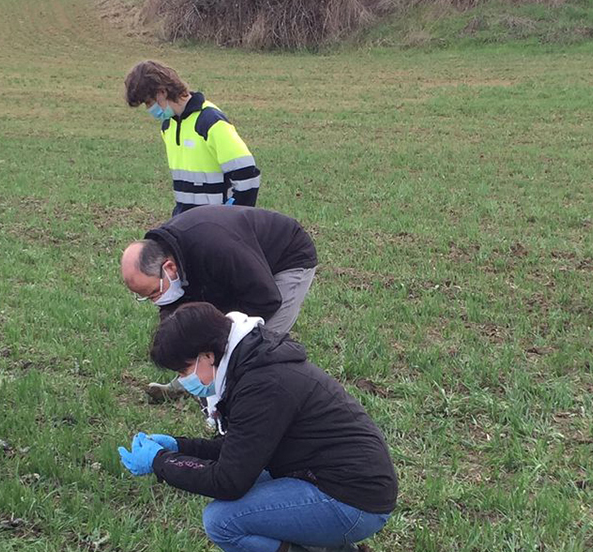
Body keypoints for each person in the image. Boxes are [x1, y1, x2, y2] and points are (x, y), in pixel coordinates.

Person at [116, 302, 397, 552]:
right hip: (333, 480)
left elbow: (228, 482)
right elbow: (240, 448)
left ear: (207, 356)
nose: (182, 380)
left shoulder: (261, 385)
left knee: (223, 521)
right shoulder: (250, 363)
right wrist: (180, 446)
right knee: (246, 493)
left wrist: (161, 462)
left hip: (354, 500)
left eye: (184, 371)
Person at [120, 205, 318, 400]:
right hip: (238, 271)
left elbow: (266, 299)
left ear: (169, 268)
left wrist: (224, 332)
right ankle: (189, 382)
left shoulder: (217, 248)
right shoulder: (167, 255)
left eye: (155, 293)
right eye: (149, 297)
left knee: (257, 345)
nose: (157, 301)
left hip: (286, 260)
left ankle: (247, 397)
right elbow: (177, 317)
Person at [125, 60, 263, 215]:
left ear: (162, 92)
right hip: (185, 221)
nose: (149, 109)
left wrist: (231, 216)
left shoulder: (210, 121)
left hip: (217, 222)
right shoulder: (168, 127)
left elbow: (247, 175)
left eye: (149, 102)